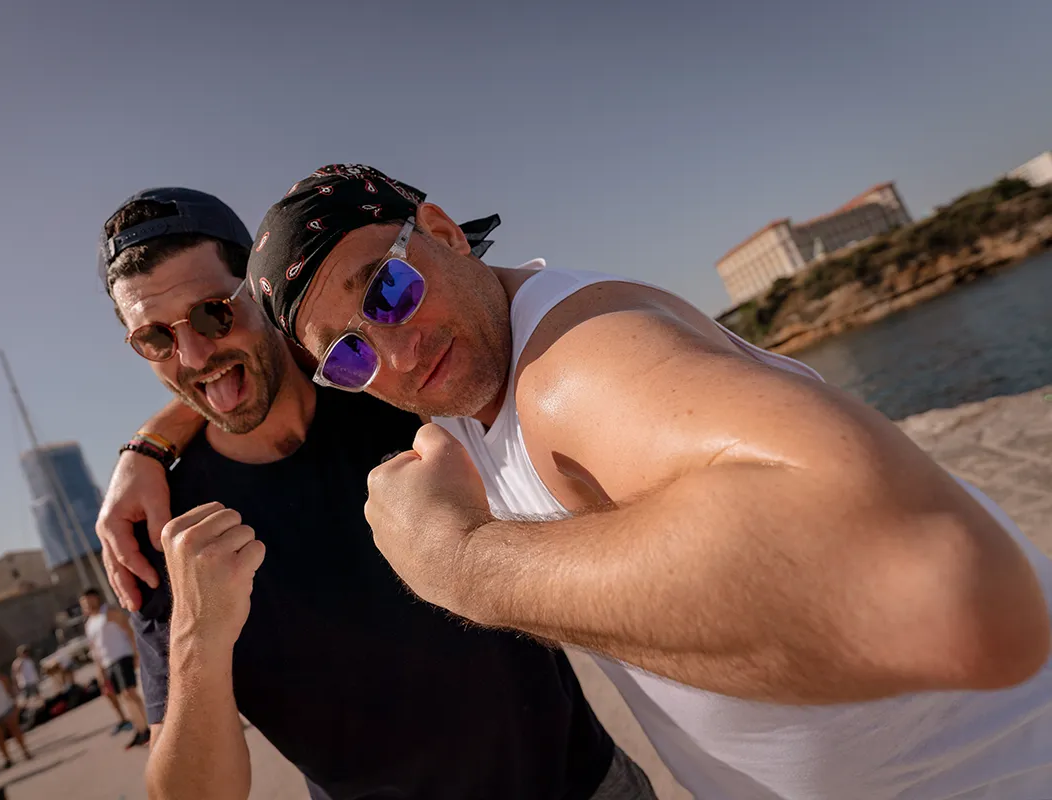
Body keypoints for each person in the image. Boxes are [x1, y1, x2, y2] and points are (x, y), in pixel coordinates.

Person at [115, 164, 1052, 798]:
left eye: (390, 288)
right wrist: (154, 467)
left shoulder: (541, 363)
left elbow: (949, 595)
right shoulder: (399, 395)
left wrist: (460, 560)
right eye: (351, 350)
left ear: (443, 232)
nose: (392, 346)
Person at [93, 188, 650, 799]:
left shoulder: (385, 378)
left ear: (258, 291)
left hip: (585, 783)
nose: (192, 353)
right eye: (153, 340)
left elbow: (488, 307)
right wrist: (198, 637)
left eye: (212, 313)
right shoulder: (159, 532)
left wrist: (147, 440)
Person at [78, 589, 149, 749]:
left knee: (130, 693)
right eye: (84, 603)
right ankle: (139, 729)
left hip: (122, 656)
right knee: (124, 697)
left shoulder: (108, 613)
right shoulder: (89, 624)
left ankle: (147, 726)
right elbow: (95, 650)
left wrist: (136, 652)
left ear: (96, 598)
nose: (87, 605)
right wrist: (100, 671)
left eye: (89, 600)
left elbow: (129, 630)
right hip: (108, 663)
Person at [10, 647, 42, 712]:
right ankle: (22, 710)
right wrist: (15, 684)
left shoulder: (29, 660)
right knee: (26, 698)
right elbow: (15, 672)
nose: (26, 654)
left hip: (32, 681)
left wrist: (37, 677)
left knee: (38, 695)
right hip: (25, 683)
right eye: (24, 652)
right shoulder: (18, 662)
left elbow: (33, 670)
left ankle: (42, 706)